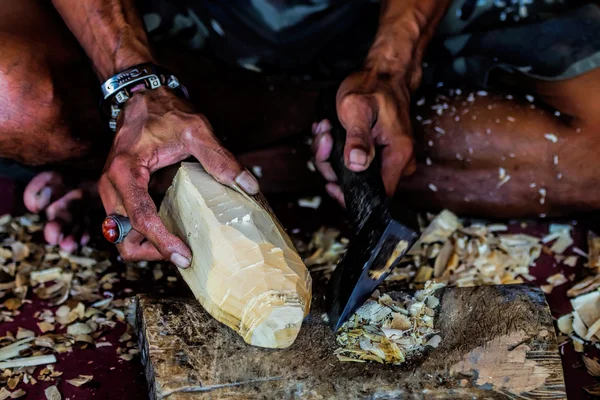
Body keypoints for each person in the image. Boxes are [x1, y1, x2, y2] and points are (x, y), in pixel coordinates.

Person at [3, 0, 600, 268]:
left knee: (591, 156)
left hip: (377, 13)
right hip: (159, 20)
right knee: (14, 96)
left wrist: (393, 66)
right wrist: (137, 88)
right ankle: (182, 149)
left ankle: (221, 170)